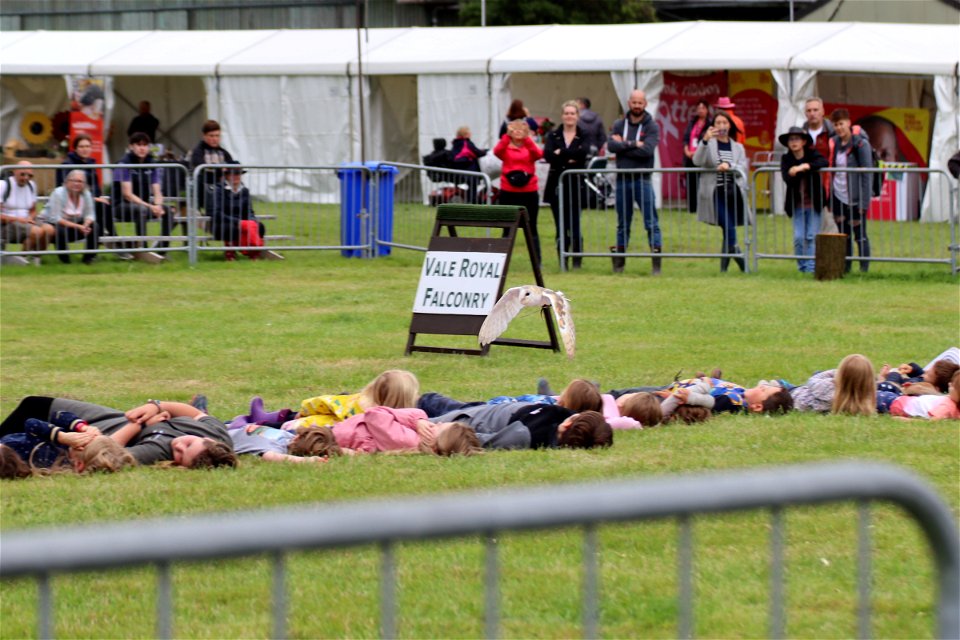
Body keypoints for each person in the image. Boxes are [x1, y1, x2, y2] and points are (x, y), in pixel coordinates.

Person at [0, 396, 236, 468]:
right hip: (120, 416)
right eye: (188, 444)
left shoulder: (157, 450)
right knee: (34, 404)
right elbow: (189, 411)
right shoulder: (217, 432)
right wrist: (155, 407)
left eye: (181, 455)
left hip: (103, 429)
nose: (178, 446)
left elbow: (106, 450)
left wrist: (140, 424)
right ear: (206, 439)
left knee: (35, 412)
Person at [607, 90, 661, 275]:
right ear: (629, 102)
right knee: (623, 223)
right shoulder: (618, 124)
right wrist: (633, 144)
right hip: (623, 180)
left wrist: (623, 145)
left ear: (645, 103)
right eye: (634, 102)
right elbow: (611, 146)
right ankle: (620, 263)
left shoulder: (652, 126)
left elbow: (647, 150)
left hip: (642, 179)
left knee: (651, 222)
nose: (637, 105)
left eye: (640, 102)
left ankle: (656, 263)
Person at [693, 111, 750, 273]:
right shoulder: (708, 144)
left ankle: (723, 270)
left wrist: (729, 166)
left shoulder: (738, 147)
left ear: (730, 125)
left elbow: (741, 166)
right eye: (718, 123)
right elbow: (697, 161)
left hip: (733, 192)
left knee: (728, 229)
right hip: (714, 192)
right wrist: (704, 140)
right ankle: (743, 263)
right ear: (713, 126)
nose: (722, 126)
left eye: (725, 122)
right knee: (729, 225)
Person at [272, 370, 421, 431]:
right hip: (303, 427)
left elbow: (321, 402)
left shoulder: (359, 403)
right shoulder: (357, 405)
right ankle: (259, 422)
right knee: (271, 426)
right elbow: (323, 402)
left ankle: (260, 422)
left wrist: (304, 411)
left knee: (273, 426)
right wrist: (303, 412)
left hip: (306, 426)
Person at [543, 100, 588, 270]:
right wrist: (569, 156)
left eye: (572, 113)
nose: (569, 116)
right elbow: (548, 155)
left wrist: (561, 152)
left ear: (577, 116)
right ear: (562, 115)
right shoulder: (553, 135)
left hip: (575, 185)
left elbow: (583, 154)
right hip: (557, 185)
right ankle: (563, 260)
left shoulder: (583, 134)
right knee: (560, 225)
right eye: (567, 113)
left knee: (575, 224)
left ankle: (577, 260)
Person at [828, 108, 873, 273]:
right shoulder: (834, 143)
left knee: (860, 235)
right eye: (836, 125)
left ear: (848, 122)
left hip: (855, 196)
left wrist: (864, 202)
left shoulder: (861, 143)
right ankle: (845, 268)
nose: (839, 128)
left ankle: (864, 269)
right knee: (843, 235)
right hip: (839, 194)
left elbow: (867, 175)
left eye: (841, 124)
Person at [494, 119, 543, 267]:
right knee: (506, 227)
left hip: (529, 190)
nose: (518, 132)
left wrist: (527, 139)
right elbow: (497, 151)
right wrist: (507, 137)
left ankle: (537, 261)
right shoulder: (506, 147)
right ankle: (501, 261)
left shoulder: (529, 147)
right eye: (514, 129)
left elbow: (538, 154)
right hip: (509, 190)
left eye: (520, 129)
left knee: (532, 226)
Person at [779, 126, 828, 273]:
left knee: (811, 236)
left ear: (804, 142)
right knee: (799, 237)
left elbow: (824, 162)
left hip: (814, 204)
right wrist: (795, 171)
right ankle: (802, 267)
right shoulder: (786, 158)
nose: (794, 142)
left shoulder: (812, 154)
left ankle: (811, 269)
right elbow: (787, 178)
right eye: (791, 139)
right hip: (797, 204)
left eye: (797, 139)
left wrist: (804, 167)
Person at [114, 132, 174, 252]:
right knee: (142, 210)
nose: (142, 148)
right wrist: (150, 206)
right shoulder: (123, 163)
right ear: (131, 146)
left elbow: (157, 191)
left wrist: (158, 205)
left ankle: (162, 250)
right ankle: (143, 249)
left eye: (145, 145)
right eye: (138, 145)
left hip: (145, 205)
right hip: (121, 205)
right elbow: (127, 194)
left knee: (169, 211)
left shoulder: (151, 162)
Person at [57, 134, 114, 238]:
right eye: (82, 147)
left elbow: (96, 186)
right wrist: (95, 199)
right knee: (102, 206)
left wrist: (100, 197)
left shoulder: (91, 163)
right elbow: (69, 189)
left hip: (90, 201)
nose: (85, 149)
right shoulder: (67, 165)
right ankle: (114, 237)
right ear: (75, 148)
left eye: (88, 146)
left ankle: (105, 236)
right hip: (73, 203)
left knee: (105, 204)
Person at [36, 170, 99, 264]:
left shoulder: (86, 194)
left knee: (94, 226)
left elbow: (90, 214)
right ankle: (66, 261)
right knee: (59, 230)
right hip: (52, 225)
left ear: (84, 184)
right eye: (73, 180)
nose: (76, 184)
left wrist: (86, 224)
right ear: (66, 182)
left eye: (80, 181)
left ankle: (88, 258)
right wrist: (78, 227)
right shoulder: (58, 193)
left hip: (74, 226)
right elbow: (55, 218)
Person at [208, 161, 266, 261]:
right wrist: (238, 222)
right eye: (232, 173)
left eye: (238, 173)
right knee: (232, 228)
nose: (236, 176)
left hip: (241, 222)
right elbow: (217, 213)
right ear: (226, 175)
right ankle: (231, 253)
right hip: (222, 223)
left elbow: (249, 211)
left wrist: (251, 221)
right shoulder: (218, 189)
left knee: (259, 226)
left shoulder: (245, 190)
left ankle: (253, 253)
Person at [229, 423, 337, 464]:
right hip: (228, 428)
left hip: (217, 434)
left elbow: (270, 456)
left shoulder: (276, 447)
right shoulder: (287, 438)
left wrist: (306, 461)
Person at [0, 161, 44, 260]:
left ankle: (35, 258)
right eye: (22, 174)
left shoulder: (32, 185)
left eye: (30, 175)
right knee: (37, 231)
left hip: (25, 222)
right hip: (7, 224)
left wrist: (30, 218)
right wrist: (20, 219)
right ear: (15, 171)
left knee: (48, 229)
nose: (26, 178)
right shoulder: (3, 185)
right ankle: (22, 258)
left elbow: (33, 210)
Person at [188, 120, 234, 211]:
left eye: (217, 136)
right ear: (204, 136)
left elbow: (231, 168)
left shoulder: (224, 153)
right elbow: (201, 169)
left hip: (221, 188)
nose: (215, 139)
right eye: (211, 136)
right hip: (202, 189)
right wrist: (220, 170)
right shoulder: (197, 152)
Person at [889, 370, 960, 420]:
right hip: (905, 400)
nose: (949, 384)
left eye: (953, 386)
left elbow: (931, 421)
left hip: (900, 405)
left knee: (884, 389)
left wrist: (905, 420)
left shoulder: (947, 407)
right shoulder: (951, 401)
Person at [682, 99, 712, 214]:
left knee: (702, 183)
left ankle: (703, 208)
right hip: (689, 157)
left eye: (703, 108)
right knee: (690, 183)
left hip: (701, 157)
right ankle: (691, 207)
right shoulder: (692, 122)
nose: (700, 110)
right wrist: (686, 150)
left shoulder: (709, 124)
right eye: (699, 108)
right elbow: (685, 139)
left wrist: (698, 152)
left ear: (707, 110)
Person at [450, 126, 486, 203]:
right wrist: (486, 151)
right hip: (469, 169)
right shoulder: (467, 143)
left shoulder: (455, 143)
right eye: (469, 132)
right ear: (465, 134)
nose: (470, 134)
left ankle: (465, 200)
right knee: (472, 187)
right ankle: (472, 202)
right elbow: (477, 152)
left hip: (458, 170)